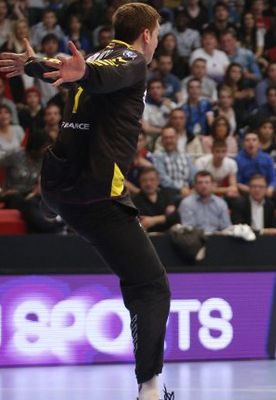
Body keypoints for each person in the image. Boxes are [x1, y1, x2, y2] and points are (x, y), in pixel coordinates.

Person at [0, 3, 173, 400]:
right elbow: (108, 73)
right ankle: (150, 391)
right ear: (146, 34)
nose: (157, 43)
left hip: (60, 187)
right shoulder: (128, 60)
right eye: (158, 35)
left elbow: (61, 66)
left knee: (141, 280)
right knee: (151, 286)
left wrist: (31, 65)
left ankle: (151, 386)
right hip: (95, 194)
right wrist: (86, 74)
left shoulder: (93, 54)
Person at [153, 126, 196, 199]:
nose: (169, 140)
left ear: (177, 138)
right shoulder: (157, 157)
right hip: (168, 194)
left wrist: (194, 189)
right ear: (162, 140)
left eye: (171, 137)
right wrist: (181, 188)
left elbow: (194, 177)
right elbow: (163, 179)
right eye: (166, 138)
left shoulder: (186, 156)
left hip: (188, 192)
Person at [132, 167, 179, 233]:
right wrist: (166, 217)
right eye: (144, 180)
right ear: (139, 182)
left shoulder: (166, 195)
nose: (148, 183)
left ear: (158, 181)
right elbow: (144, 222)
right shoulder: (135, 200)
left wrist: (153, 220)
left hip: (169, 235)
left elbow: (176, 217)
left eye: (152, 180)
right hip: (149, 238)